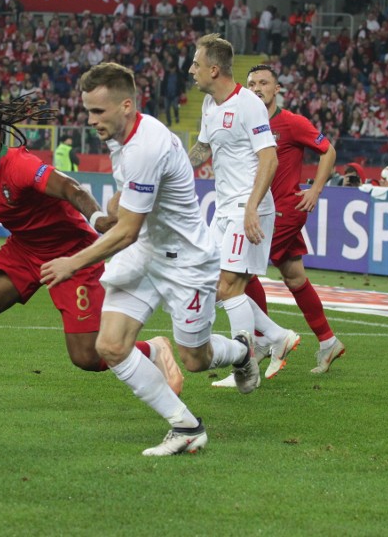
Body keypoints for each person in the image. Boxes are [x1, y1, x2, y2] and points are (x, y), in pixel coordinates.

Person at [41, 63, 259, 456]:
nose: (91, 121)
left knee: (195, 359)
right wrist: (115, 204)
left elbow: (124, 230)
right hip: (146, 252)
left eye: (98, 112)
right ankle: (186, 426)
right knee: (109, 345)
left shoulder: (146, 145)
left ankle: (243, 351)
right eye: (88, 111)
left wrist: (72, 263)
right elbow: (128, 209)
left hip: (186, 261)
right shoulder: (120, 135)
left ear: (126, 105)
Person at [0, 95, 183, 415]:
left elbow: (71, 188)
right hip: (24, 249)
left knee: (87, 356)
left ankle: (153, 349)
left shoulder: (19, 165)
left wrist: (98, 219)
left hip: (72, 252)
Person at [212, 64, 345, 388]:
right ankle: (328, 342)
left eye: (264, 83)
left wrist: (315, 190)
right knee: (293, 275)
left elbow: (328, 150)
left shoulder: (291, 123)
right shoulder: (247, 119)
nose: (257, 88)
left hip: (281, 209)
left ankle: (262, 340)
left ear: (276, 89)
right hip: (260, 209)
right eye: (252, 82)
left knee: (238, 272)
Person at [188, 34, 299, 381]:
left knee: (227, 286)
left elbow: (270, 157)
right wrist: (171, 172)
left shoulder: (247, 104)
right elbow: (203, 149)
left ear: (214, 69)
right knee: (210, 283)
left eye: (196, 64)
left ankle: (244, 364)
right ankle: (278, 337)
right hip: (224, 208)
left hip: (247, 207)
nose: (191, 70)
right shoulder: (209, 105)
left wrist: (251, 208)